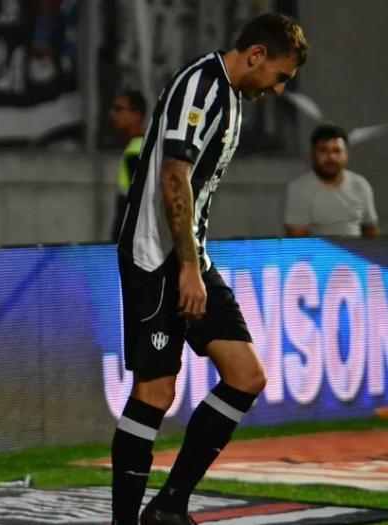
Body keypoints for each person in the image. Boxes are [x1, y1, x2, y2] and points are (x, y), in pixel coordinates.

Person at [114, 13, 308, 525]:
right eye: (281, 75)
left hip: (190, 256)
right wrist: (187, 270)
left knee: (245, 376)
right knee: (155, 391)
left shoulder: (233, 97)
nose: (280, 89)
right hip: (156, 257)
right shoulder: (203, 87)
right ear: (257, 55)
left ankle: (170, 505)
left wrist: (195, 262)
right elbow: (173, 179)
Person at [284, 124, 379, 238]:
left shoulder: (360, 184)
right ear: (313, 155)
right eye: (324, 151)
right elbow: (296, 237)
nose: (331, 157)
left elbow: (371, 228)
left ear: (346, 154)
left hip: (357, 253)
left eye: (337, 151)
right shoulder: (298, 188)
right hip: (318, 254)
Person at [110, 90, 146, 242]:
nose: (113, 114)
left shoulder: (136, 150)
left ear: (137, 114)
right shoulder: (138, 146)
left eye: (119, 109)